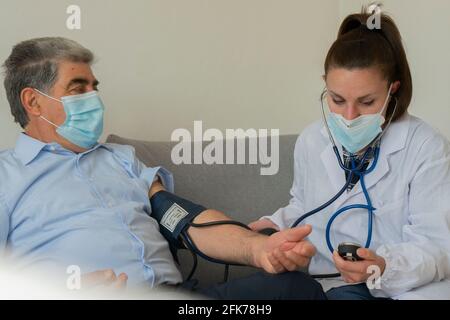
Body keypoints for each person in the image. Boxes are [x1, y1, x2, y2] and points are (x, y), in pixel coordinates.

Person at [0, 37, 325, 300]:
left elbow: (185, 220)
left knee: (295, 289)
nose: (94, 98)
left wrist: (259, 248)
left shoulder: (121, 159)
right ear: (33, 102)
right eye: (78, 88)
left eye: (94, 87)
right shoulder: (6, 175)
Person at [250, 10, 450, 300]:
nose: (349, 116)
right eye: (337, 99)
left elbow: (438, 245)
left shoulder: (425, 147)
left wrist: (385, 267)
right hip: (327, 284)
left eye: (367, 102)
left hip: (398, 289)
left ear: (392, 90)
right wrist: (275, 226)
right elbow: (304, 206)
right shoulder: (311, 140)